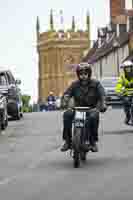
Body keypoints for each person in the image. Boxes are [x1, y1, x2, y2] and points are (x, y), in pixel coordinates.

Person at [60, 62, 107, 152]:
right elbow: (67, 94)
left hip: (91, 109)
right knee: (67, 114)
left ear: (89, 74)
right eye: (81, 74)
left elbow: (102, 95)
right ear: (78, 75)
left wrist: (103, 104)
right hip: (77, 109)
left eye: (85, 73)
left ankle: (93, 142)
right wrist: (64, 101)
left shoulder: (96, 84)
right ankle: (67, 141)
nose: (83, 76)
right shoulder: (74, 84)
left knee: (94, 116)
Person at [115, 60, 133, 124]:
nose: (128, 69)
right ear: (124, 69)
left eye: (129, 67)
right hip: (126, 95)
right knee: (126, 103)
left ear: (131, 68)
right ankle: (128, 116)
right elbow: (118, 85)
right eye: (126, 68)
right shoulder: (122, 77)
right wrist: (118, 92)